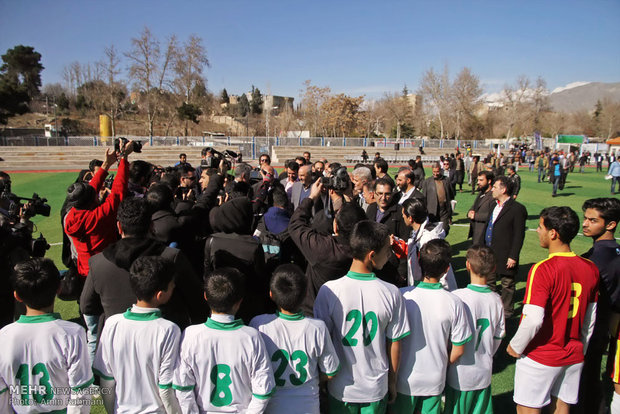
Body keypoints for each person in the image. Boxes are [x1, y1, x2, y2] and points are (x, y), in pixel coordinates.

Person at [507, 206, 599, 413]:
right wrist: (579, 348)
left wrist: (516, 346)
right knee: (561, 408)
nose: (538, 231)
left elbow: (533, 319)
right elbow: (589, 320)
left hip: (541, 355)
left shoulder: (543, 269)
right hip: (573, 355)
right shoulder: (590, 268)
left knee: (528, 409)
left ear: (553, 233)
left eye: (540, 227)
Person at [314, 220, 410, 413]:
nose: (389, 255)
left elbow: (322, 342)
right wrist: (392, 382)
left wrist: (324, 378)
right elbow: (395, 343)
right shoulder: (391, 293)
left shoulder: (329, 291)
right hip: (375, 387)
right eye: (387, 251)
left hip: (340, 387)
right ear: (372, 256)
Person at [174, 267, 276, 413]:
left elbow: (183, 387)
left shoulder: (190, 335)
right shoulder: (251, 337)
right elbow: (263, 390)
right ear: (240, 302)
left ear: (205, 296)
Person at [0, 258, 93, 413]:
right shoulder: (72, 333)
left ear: (17, 296)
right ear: (58, 288)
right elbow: (81, 392)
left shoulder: (3, 336)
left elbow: (2, 396)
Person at [94, 256, 182, 414]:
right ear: (160, 295)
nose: (174, 286)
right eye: (171, 284)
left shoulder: (112, 323)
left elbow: (106, 381)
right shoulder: (169, 330)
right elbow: (165, 389)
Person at [250, 264, 340, 414]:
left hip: (272, 407)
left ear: (271, 294)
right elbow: (330, 372)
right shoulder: (317, 327)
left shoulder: (259, 325)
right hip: (307, 407)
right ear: (305, 295)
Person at [395, 239, 472, 414]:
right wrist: (440, 362)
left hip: (404, 378)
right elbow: (459, 349)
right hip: (434, 378)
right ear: (447, 269)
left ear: (419, 261)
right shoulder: (454, 302)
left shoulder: (402, 296)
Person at [288, 179, 367, 315]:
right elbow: (356, 220)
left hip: (316, 311)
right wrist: (347, 198)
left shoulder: (324, 249)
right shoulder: (366, 250)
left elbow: (296, 225)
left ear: (335, 226)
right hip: (351, 310)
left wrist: (311, 197)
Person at [445, 246, 505, 414]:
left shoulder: (457, 297)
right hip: (484, 371)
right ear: (493, 269)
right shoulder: (496, 300)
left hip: (459, 374)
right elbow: (498, 336)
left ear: (467, 265)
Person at [576, 198, 620, 413]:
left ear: (610, 224)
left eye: (593, 220)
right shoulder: (615, 251)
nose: (585, 224)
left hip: (592, 327)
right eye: (585, 218)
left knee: (585, 381)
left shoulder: (594, 259)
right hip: (608, 325)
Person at [484, 175, 527, 317]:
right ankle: (491, 308)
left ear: (503, 189)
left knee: (507, 284)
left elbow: (519, 235)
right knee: (489, 282)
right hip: (490, 252)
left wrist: (513, 256)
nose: (492, 190)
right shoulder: (493, 205)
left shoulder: (517, 209)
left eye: (495, 187)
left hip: (506, 253)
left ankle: (507, 311)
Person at [397, 197, 457, 290]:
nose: (402, 217)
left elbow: (438, 269)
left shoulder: (429, 238)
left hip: (433, 290)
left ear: (410, 218)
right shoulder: (419, 233)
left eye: (403, 215)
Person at [420, 161, 455, 235]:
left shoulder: (446, 180)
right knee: (433, 231)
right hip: (432, 211)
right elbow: (424, 198)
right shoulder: (427, 182)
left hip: (444, 210)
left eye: (437, 171)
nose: (435, 173)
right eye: (434, 172)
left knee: (444, 229)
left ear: (441, 170)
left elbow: (451, 194)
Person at [467, 171, 495, 247]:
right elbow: (474, 206)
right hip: (476, 231)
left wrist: (475, 216)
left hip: (484, 233)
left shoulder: (493, 196)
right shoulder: (481, 193)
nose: (478, 182)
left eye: (481, 180)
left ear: (489, 181)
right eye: (478, 180)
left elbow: (493, 215)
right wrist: (469, 212)